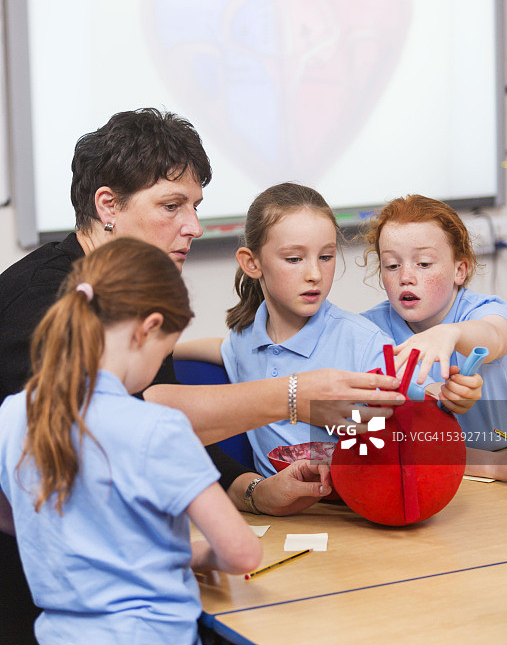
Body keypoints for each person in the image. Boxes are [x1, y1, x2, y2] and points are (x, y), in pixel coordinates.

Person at [0, 108, 403, 644]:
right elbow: (139, 424)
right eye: (172, 206)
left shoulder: (127, 296)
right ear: (108, 206)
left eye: (196, 206)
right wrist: (292, 395)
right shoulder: (40, 303)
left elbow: (164, 426)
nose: (193, 226)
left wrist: (252, 490)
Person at [0, 238, 262, 645]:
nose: (158, 369)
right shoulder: (157, 428)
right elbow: (242, 553)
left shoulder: (14, 413)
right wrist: (190, 555)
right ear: (148, 328)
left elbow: (13, 517)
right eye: (163, 354)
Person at [174, 183, 482, 477]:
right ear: (252, 263)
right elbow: (223, 348)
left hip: (349, 506)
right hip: (273, 507)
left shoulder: (363, 341)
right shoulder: (246, 340)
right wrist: (165, 350)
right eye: (294, 259)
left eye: (326, 257)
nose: (314, 274)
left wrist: (451, 395)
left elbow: (420, 411)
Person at [359, 193, 507, 484]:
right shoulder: (368, 330)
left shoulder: (485, 310)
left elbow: (495, 336)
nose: (405, 276)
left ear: (459, 270)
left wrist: (450, 333)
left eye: (424, 263)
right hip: (426, 474)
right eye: (391, 265)